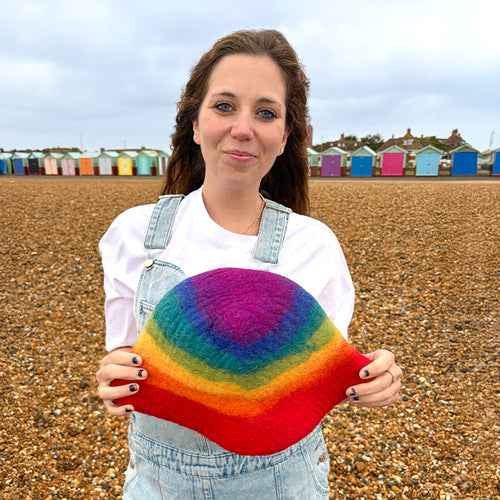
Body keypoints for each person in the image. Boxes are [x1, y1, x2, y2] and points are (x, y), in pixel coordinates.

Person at [96, 29, 402, 499]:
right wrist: (115, 382)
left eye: (265, 113)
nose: (243, 128)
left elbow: (321, 378)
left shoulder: (313, 245)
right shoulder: (133, 234)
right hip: (157, 485)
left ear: (284, 137)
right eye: (224, 106)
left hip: (284, 484)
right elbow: (124, 367)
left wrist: (374, 377)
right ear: (194, 124)